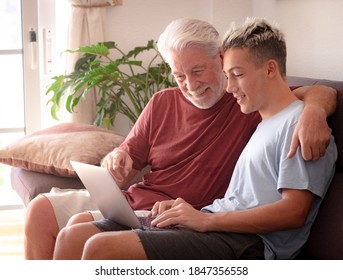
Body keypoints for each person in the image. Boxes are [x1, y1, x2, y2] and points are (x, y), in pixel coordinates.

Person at [26, 18, 336, 260]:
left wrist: (315, 112)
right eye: (179, 75)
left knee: (98, 248)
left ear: (219, 58)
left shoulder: (271, 114)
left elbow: (294, 210)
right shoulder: (260, 114)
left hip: (238, 238)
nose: (229, 86)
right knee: (70, 235)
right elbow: (128, 155)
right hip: (193, 215)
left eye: (200, 70)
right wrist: (118, 159)